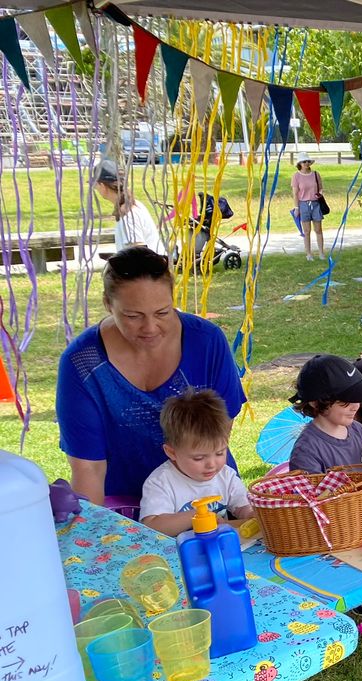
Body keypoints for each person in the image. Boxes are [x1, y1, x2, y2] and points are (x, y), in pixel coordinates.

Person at [57, 246, 245, 504]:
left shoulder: (207, 341)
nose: (150, 327)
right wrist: (92, 534)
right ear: (108, 305)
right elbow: (88, 468)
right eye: (133, 316)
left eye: (162, 312)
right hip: (123, 509)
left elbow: (219, 432)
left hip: (208, 498)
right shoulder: (82, 363)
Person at [140, 389, 254, 536]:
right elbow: (152, 526)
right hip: (178, 554)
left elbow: (242, 507)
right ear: (172, 452)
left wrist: (251, 514)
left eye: (219, 453)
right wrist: (196, 516)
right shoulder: (161, 482)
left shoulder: (226, 475)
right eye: (199, 458)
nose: (212, 464)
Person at [288, 355, 362, 474]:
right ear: (315, 402)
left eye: (358, 397)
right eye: (345, 400)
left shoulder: (358, 429)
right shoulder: (306, 451)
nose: (356, 406)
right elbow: (312, 492)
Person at [92, 161, 166, 255]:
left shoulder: (129, 216)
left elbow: (140, 256)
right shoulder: (133, 206)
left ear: (102, 186)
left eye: (95, 185)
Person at [291, 151, 326, 261]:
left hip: (315, 204)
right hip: (303, 204)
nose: (306, 163)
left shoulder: (315, 174)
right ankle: (309, 254)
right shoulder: (296, 176)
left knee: (318, 229)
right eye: (304, 161)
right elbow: (295, 193)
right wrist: (297, 208)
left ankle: (321, 252)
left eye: (308, 161)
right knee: (306, 231)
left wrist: (320, 193)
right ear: (300, 163)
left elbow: (321, 187)